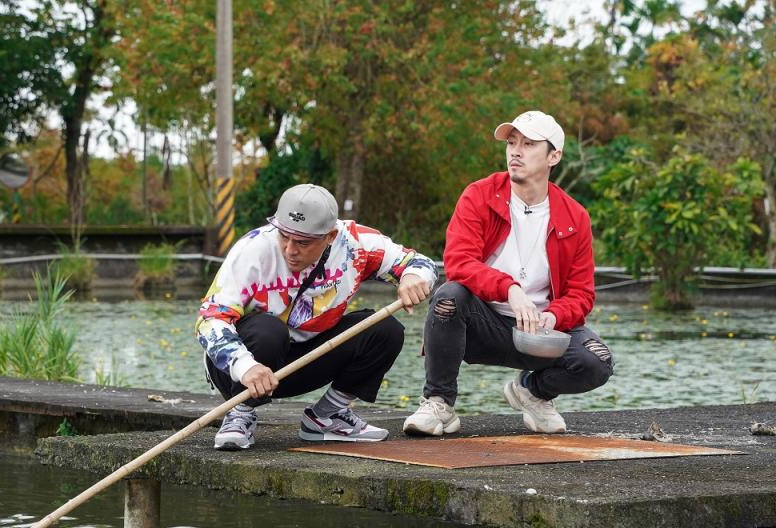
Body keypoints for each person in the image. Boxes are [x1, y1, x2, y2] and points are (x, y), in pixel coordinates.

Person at [403, 110, 614, 437]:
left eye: (529, 144)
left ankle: (533, 391)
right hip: (481, 323)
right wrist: (510, 290)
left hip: (540, 333)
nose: (516, 151)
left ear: (553, 156)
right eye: (512, 142)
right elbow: (458, 261)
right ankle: (439, 403)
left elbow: (582, 295)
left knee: (597, 361)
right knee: (448, 297)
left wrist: (554, 317)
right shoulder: (479, 195)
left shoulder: (575, 217)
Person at [197, 183, 438, 451]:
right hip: (243, 369)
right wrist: (245, 367)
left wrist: (414, 277)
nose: (290, 250)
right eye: (284, 237)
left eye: (303, 242)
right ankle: (239, 414)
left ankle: (326, 416)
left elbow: (419, 262)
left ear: (331, 236)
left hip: (305, 359)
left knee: (386, 330)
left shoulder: (356, 244)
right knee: (269, 331)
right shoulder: (252, 250)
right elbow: (210, 320)